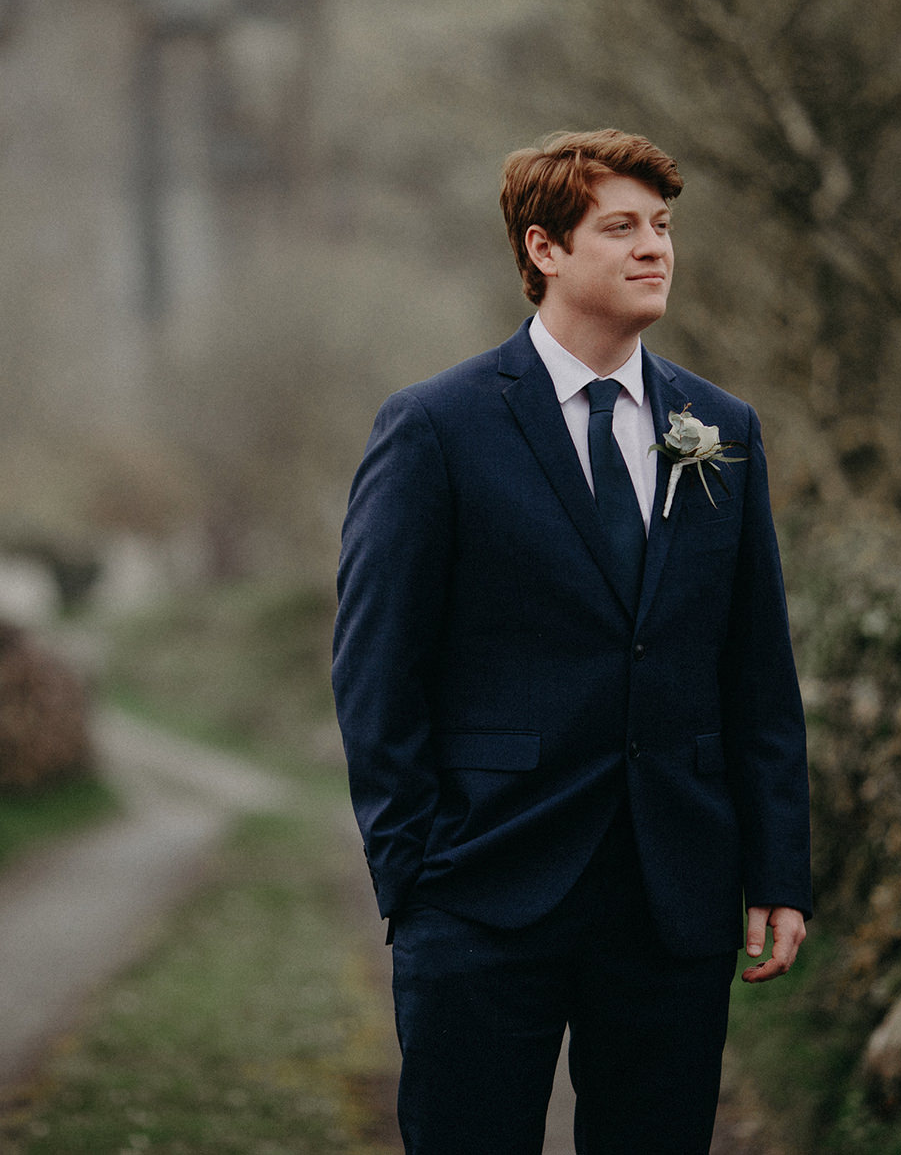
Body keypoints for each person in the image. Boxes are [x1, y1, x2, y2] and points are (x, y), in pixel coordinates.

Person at [331, 128, 813, 1153]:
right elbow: (376, 667)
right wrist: (411, 872)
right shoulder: (435, 427)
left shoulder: (719, 426)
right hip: (480, 884)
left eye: (664, 227)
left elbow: (755, 670)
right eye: (622, 227)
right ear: (543, 249)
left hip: (671, 891)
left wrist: (773, 869)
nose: (656, 249)